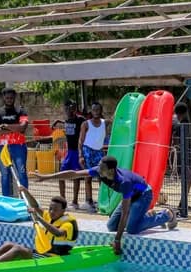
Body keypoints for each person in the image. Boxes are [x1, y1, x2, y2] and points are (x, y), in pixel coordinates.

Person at [34, 155, 177, 255]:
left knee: (132, 228)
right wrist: (46, 177)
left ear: (111, 170)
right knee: (111, 226)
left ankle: (167, 215)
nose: (98, 170)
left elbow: (125, 213)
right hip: (130, 196)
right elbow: (74, 174)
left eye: (102, 168)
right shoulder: (100, 171)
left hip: (143, 195)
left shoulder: (124, 182)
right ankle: (145, 215)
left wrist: (117, 240)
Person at [0, 187, 77, 265]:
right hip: (42, 252)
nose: (51, 212)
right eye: (50, 208)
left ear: (63, 211)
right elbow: (35, 206)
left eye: (55, 210)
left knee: (18, 249)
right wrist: (26, 191)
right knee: (8, 244)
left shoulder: (68, 224)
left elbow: (58, 233)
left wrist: (38, 218)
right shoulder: (49, 216)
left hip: (53, 258)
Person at [0, 88, 29, 196]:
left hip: (19, 146)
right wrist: (13, 129)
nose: (9, 99)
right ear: (3, 97)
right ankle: (6, 199)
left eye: (11, 97)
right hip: (2, 147)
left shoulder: (21, 111)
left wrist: (5, 126)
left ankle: (25, 200)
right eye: (7, 98)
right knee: (5, 175)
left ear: (14, 97)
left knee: (22, 173)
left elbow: (22, 127)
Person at [76, 101, 107, 211]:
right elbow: (80, 140)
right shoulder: (86, 124)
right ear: (91, 111)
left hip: (99, 152)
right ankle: (89, 201)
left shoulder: (105, 123)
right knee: (88, 177)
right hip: (88, 152)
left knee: (102, 178)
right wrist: (81, 155)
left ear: (101, 111)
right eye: (94, 110)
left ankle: (102, 201)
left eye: (98, 109)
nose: (96, 112)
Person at [56, 100, 86, 205]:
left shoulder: (80, 120)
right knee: (61, 175)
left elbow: (88, 124)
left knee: (76, 176)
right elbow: (67, 123)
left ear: (75, 109)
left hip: (77, 151)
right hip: (69, 152)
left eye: (72, 108)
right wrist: (58, 121)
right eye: (67, 109)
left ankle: (75, 201)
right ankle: (62, 200)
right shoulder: (67, 120)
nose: (69, 111)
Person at [172, 102, 191, 211]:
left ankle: (183, 203)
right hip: (178, 156)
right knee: (189, 177)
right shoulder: (179, 125)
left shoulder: (172, 120)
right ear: (185, 113)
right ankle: (183, 204)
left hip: (175, 155)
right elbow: (176, 141)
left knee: (187, 177)